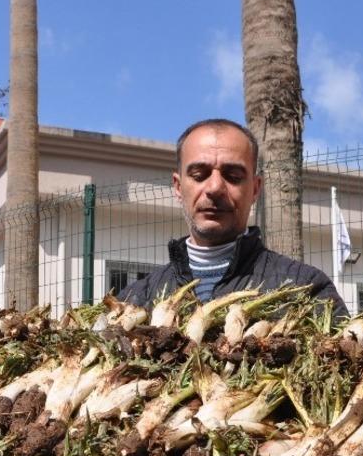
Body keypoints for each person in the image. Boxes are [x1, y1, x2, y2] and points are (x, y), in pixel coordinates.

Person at [119, 118, 348, 319]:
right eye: (199, 175)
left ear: (256, 189)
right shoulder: (135, 300)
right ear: (178, 187)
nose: (215, 187)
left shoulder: (306, 290)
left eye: (233, 176)